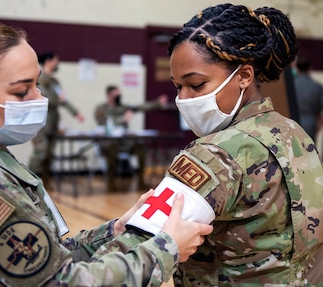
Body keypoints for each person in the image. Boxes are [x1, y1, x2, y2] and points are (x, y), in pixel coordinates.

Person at [0, 19, 214, 286]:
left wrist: (114, 229)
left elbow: (45, 258)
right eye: (21, 91)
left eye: (37, 84)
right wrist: (166, 249)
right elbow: (61, 283)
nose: (37, 98)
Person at [97, 4, 323, 286]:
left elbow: (131, 256)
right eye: (178, 86)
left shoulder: (214, 154)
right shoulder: (296, 134)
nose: (185, 99)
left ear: (244, 76)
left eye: (197, 84)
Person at [94, 84, 168, 191]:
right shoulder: (101, 109)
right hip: (109, 143)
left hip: (124, 143)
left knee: (140, 146)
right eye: (116, 95)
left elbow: (141, 107)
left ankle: (141, 182)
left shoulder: (124, 107)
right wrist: (122, 119)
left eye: (119, 95)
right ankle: (111, 184)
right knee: (111, 148)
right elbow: (103, 123)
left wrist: (157, 103)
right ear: (109, 96)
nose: (119, 97)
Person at [28, 51, 84, 189]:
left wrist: (75, 113)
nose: (57, 63)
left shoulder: (54, 81)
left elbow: (63, 99)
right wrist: (58, 100)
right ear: (49, 61)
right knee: (40, 152)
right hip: (40, 123)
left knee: (49, 154)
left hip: (52, 123)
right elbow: (44, 98)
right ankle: (28, 182)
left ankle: (45, 183)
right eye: (56, 60)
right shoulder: (39, 78)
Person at [293, 55, 323, 140]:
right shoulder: (316, 86)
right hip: (311, 123)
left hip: (292, 120)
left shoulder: (291, 85)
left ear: (297, 68)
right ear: (310, 68)